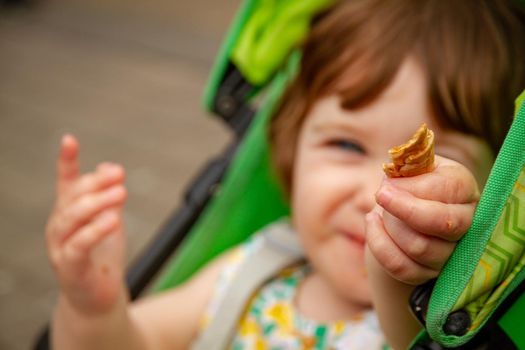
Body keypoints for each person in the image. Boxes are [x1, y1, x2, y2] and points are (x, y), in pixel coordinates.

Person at [44, 1, 525, 349]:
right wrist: (93, 307)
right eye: (345, 145)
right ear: (293, 151)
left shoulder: (444, 333)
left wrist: (400, 275)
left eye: (428, 167)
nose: (375, 196)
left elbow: (412, 338)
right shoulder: (252, 270)